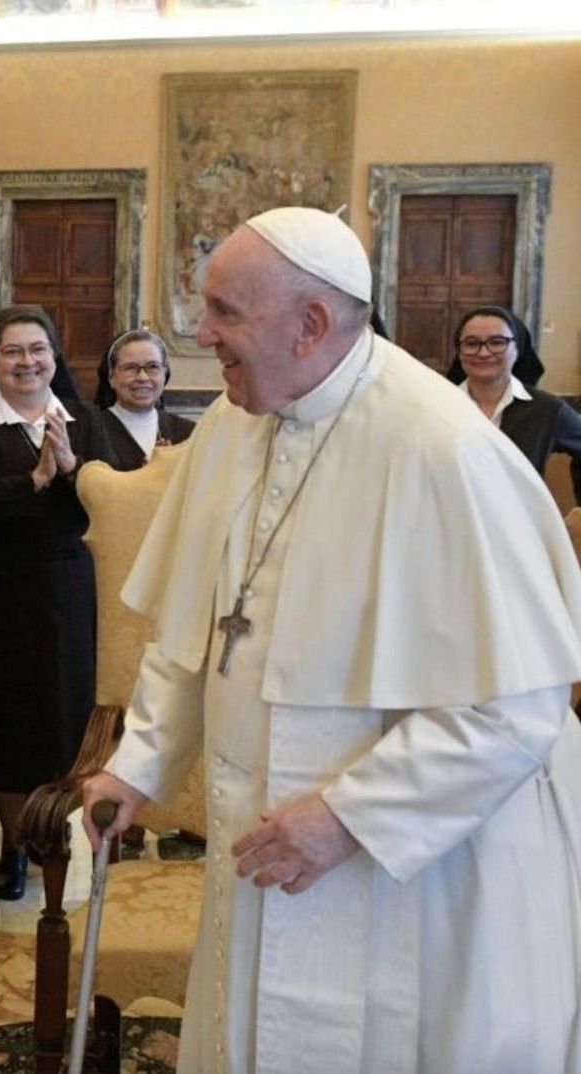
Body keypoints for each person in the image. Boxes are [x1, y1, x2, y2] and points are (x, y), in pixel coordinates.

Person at [81, 207, 581, 1073]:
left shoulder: (445, 449)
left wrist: (352, 815)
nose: (202, 335)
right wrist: (143, 760)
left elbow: (515, 706)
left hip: (413, 872)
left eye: (226, 312)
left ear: (311, 325)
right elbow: (196, 622)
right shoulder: (236, 421)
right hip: (263, 844)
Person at [0, 305, 108, 901]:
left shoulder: (87, 420)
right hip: (0, 594)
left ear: (54, 356)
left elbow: (117, 501)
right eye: (12, 352)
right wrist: (33, 478)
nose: (27, 362)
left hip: (73, 592)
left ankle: (54, 833)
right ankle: (13, 843)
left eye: (37, 349)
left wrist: (73, 469)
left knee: (65, 721)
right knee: (10, 726)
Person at [445, 303, 581, 503]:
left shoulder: (547, 410)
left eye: (498, 342)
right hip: (448, 524)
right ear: (459, 351)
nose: (483, 353)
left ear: (518, 348)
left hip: (521, 527)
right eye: (471, 343)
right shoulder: (437, 404)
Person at [93, 327, 195, 471]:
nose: (142, 377)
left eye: (153, 367)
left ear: (165, 375)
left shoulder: (188, 432)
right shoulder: (90, 430)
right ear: (111, 378)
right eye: (130, 368)